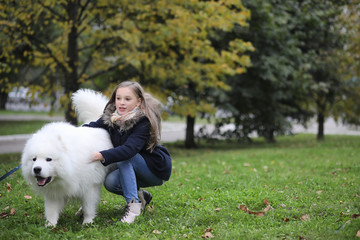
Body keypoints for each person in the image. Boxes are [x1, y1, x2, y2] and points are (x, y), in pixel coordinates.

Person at [83, 81, 172, 224]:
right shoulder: (111, 117)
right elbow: (91, 127)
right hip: (132, 164)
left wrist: (101, 155)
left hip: (154, 168)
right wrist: (72, 134)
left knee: (126, 157)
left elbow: (129, 150)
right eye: (118, 98)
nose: (121, 103)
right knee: (111, 182)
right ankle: (142, 196)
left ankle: (133, 210)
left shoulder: (143, 121)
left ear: (138, 102)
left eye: (127, 99)